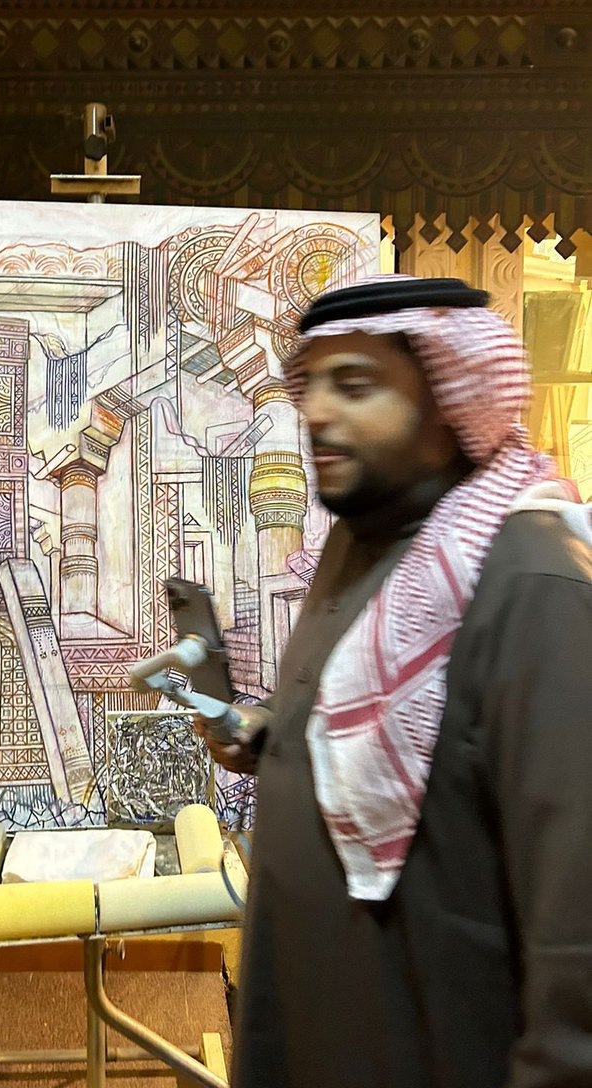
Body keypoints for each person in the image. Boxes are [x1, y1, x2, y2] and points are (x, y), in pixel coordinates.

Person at [201, 275, 592, 1088]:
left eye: (356, 385)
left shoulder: (530, 582)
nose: (315, 411)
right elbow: (392, 741)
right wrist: (262, 733)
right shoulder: (358, 545)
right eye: (311, 384)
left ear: (453, 398)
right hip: (318, 1025)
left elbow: (577, 925)